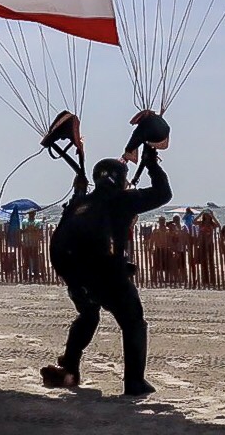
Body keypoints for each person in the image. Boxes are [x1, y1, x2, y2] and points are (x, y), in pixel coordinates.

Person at [40, 120, 174, 398]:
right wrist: (151, 162)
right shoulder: (121, 200)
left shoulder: (80, 202)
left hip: (75, 275)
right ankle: (134, 381)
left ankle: (71, 369)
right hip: (108, 275)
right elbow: (164, 194)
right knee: (133, 321)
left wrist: (79, 188)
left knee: (88, 314)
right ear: (120, 180)